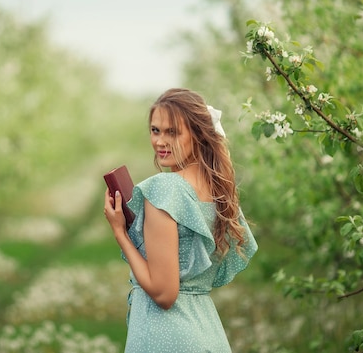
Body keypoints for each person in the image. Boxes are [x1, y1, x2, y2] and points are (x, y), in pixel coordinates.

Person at [103, 88, 258, 353]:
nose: (161, 142)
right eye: (155, 130)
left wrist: (120, 233)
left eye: (172, 132)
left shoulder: (166, 189)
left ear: (198, 134)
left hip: (166, 336)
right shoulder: (220, 191)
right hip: (207, 331)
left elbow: (164, 294)